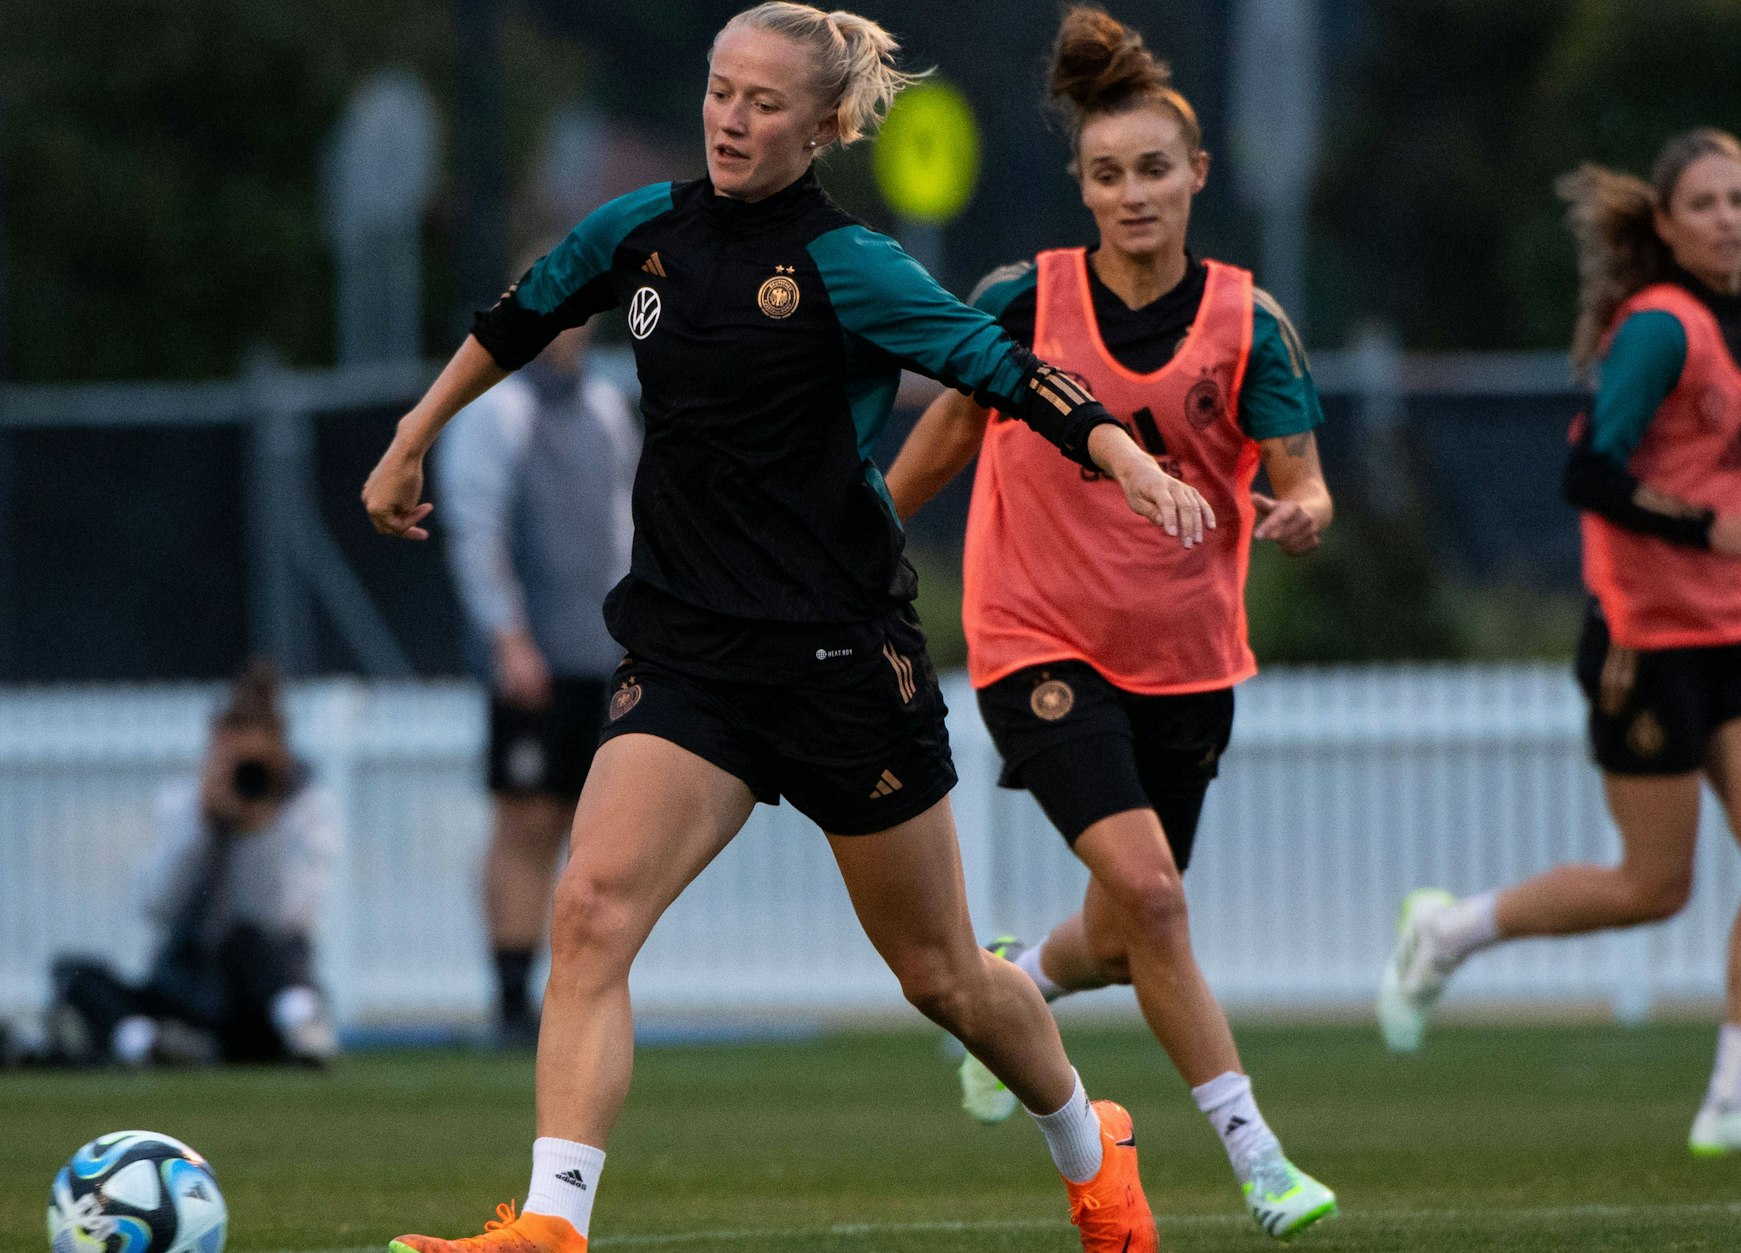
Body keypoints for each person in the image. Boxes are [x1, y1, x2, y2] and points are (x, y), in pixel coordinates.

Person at [361, 6, 1216, 1251]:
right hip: (689, 655)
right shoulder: (640, 231)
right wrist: (409, 435)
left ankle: (1093, 1148)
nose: (729, 116)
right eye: (719, 90)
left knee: (942, 977)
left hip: (837, 662)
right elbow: (521, 313)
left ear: (822, 127)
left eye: (762, 102)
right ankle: (550, 1225)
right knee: (591, 910)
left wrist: (1121, 456)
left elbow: (998, 364)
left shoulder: (849, 263)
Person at [884, 7, 1336, 1240]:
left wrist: (1300, 511)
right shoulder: (1024, 302)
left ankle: (1016, 981)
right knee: (1157, 898)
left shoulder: (1249, 322)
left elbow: (1300, 474)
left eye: (1152, 170)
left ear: (1197, 175)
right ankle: (1259, 1160)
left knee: (1133, 925)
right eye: (1105, 174)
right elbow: (947, 433)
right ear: (1078, 188)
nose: (1130, 193)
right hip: (1033, 636)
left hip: (1187, 656)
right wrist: (862, 531)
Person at [1377, 128, 1741, 1160]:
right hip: (1642, 638)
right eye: (1703, 202)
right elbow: (1588, 473)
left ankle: (1734, 1096)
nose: (1727, 216)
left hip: (1739, 627)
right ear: (1664, 223)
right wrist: (1710, 531)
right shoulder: (1656, 330)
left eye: (1738, 197)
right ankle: (1447, 930)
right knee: (1653, 885)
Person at [437, 300, 639, 1048]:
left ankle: (575, 989)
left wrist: (632, 629)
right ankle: (512, 995)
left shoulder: (605, 408)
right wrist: (508, 636)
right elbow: (476, 527)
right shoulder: (498, 411)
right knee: (527, 820)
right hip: (534, 657)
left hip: (599, 652)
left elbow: (623, 525)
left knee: (596, 829)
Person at [45, 660, 340, 1067]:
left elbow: (279, 915)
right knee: (72, 972)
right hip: (189, 983)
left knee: (248, 941)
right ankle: (147, 1042)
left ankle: (300, 1026)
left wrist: (256, 829)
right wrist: (202, 825)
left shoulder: (304, 811)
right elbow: (154, 906)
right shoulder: (183, 805)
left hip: (259, 990)